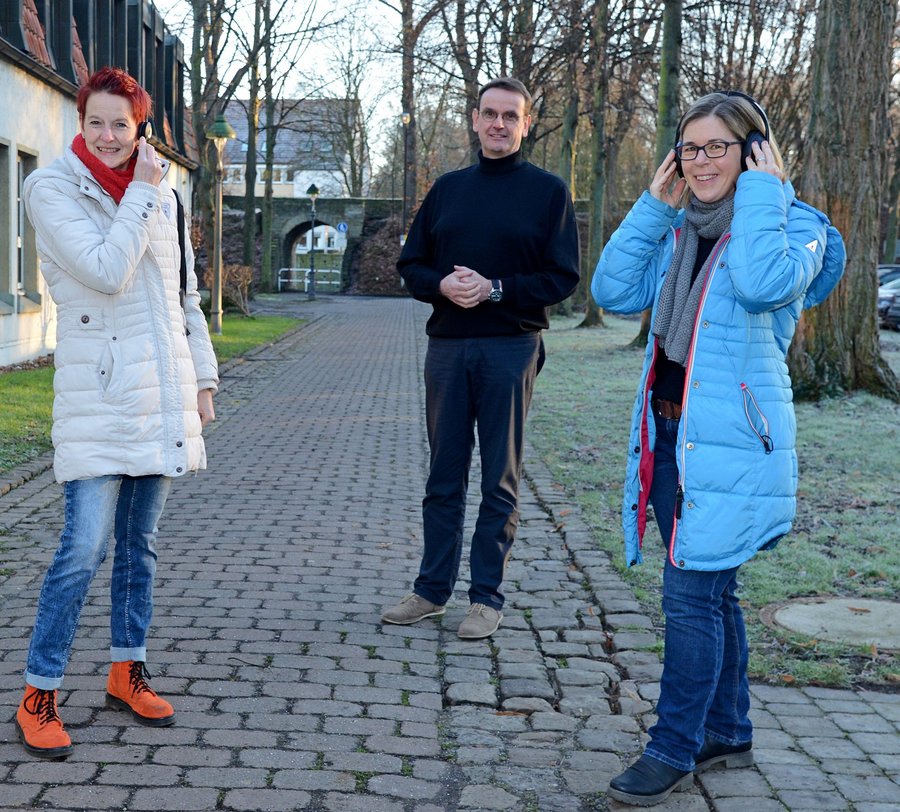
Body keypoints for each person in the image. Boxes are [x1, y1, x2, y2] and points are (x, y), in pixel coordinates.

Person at [592, 90, 845, 806]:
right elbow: (612, 290)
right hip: (670, 434)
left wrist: (764, 192)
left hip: (734, 445)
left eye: (719, 147)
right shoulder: (679, 230)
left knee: (690, 598)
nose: (702, 162)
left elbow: (762, 285)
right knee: (712, 591)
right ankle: (728, 728)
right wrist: (653, 207)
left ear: (755, 152)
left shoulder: (793, 226)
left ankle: (673, 746)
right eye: (690, 148)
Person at [16, 66, 218, 760]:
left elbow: (185, 297)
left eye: (121, 125)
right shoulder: (50, 188)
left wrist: (203, 380)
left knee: (141, 546)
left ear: (141, 129)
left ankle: (126, 670)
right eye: (96, 122)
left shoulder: (164, 196)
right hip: (98, 396)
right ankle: (39, 690)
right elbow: (106, 271)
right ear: (80, 123)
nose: (108, 136)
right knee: (83, 547)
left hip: (162, 393)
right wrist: (142, 193)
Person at [383, 77, 580, 639]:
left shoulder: (548, 193)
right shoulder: (448, 190)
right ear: (474, 119)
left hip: (511, 347)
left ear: (526, 124)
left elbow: (562, 276)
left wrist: (496, 289)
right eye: (489, 113)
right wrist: (442, 285)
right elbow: (411, 265)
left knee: (499, 479)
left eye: (510, 116)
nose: (498, 124)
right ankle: (431, 591)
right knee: (443, 477)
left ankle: (486, 597)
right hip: (448, 348)